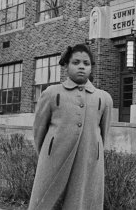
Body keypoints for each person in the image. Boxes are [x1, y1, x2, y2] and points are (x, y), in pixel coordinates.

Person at [28, 44, 113, 210]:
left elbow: (104, 134)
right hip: (54, 158)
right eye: (76, 62)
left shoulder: (104, 98)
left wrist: (94, 152)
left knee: (81, 200)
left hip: (87, 160)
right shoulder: (51, 93)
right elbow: (39, 131)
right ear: (66, 66)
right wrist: (48, 153)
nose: (81, 66)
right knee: (45, 201)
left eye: (86, 63)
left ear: (91, 67)